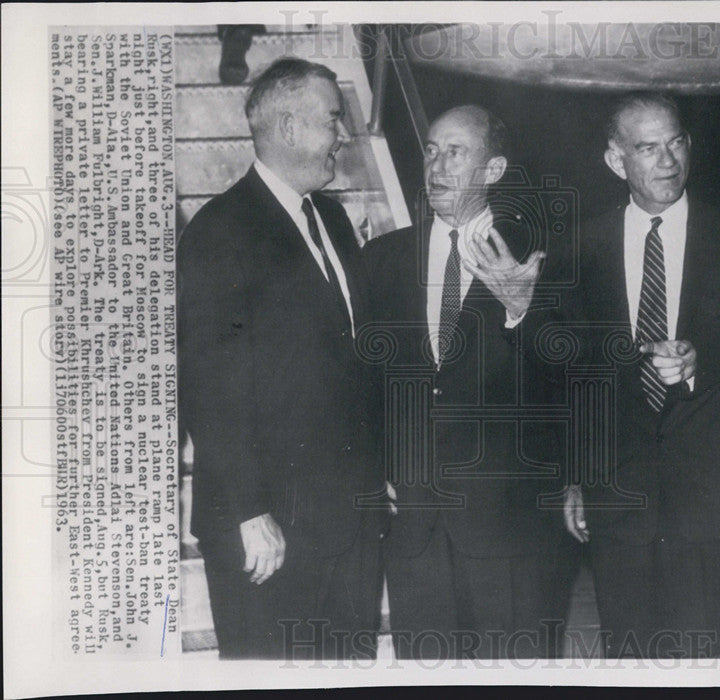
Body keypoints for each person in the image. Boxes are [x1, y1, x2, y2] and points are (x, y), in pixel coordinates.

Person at [177, 58, 386, 659]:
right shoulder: (220, 232)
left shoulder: (335, 219)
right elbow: (209, 385)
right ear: (290, 128)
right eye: (332, 121)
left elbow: (352, 359)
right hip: (269, 531)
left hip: (348, 522)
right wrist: (248, 511)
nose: (343, 136)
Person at [559, 92, 720, 659]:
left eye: (676, 142)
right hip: (619, 502)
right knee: (631, 661)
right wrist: (578, 476)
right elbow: (578, 376)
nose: (667, 161)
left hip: (718, 499)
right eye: (647, 148)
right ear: (614, 160)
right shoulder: (581, 247)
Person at [363, 105, 557, 660]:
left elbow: (574, 375)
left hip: (508, 523)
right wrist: (378, 464)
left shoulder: (543, 253)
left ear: (493, 170)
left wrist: (523, 309)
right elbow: (365, 379)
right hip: (414, 524)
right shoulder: (383, 258)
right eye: (430, 149)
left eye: (456, 151)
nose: (436, 165)